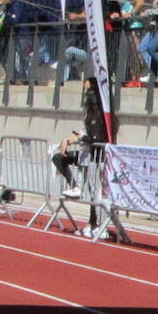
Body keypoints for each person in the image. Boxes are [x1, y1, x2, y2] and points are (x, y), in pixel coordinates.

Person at [51, 76, 109, 237]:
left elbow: (95, 138)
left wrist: (78, 138)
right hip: (85, 155)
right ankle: (76, 186)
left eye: (89, 92)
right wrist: (74, 138)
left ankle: (96, 223)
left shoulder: (101, 115)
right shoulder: (89, 113)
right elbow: (87, 134)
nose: (87, 96)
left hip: (96, 157)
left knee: (95, 192)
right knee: (59, 158)